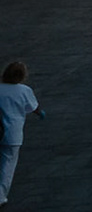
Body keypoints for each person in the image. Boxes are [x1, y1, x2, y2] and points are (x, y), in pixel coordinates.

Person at [0, 62, 48, 207]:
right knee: (7, 166)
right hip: (12, 134)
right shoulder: (24, 90)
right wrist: (41, 114)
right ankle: (0, 195)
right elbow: (33, 107)